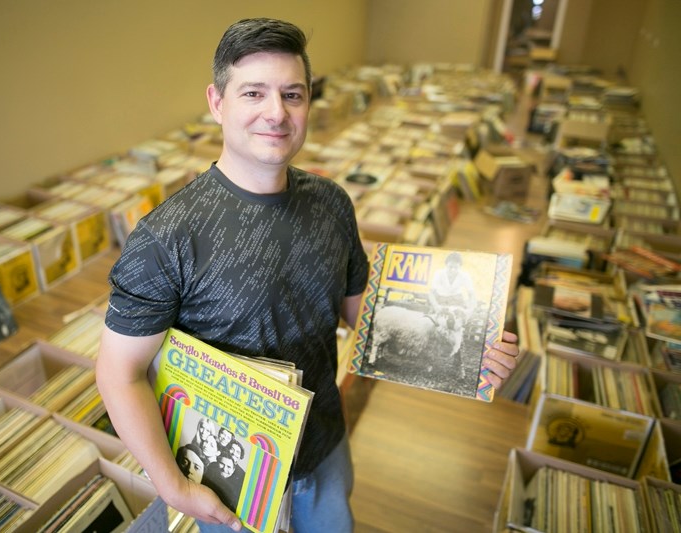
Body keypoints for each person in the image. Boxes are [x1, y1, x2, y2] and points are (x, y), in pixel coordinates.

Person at [96, 17, 520, 533]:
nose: (276, 113)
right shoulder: (166, 236)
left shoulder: (331, 202)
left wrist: (468, 349)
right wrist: (171, 485)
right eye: (254, 93)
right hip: (229, 475)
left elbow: (358, 313)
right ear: (216, 102)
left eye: (292, 95)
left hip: (324, 446)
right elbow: (119, 373)